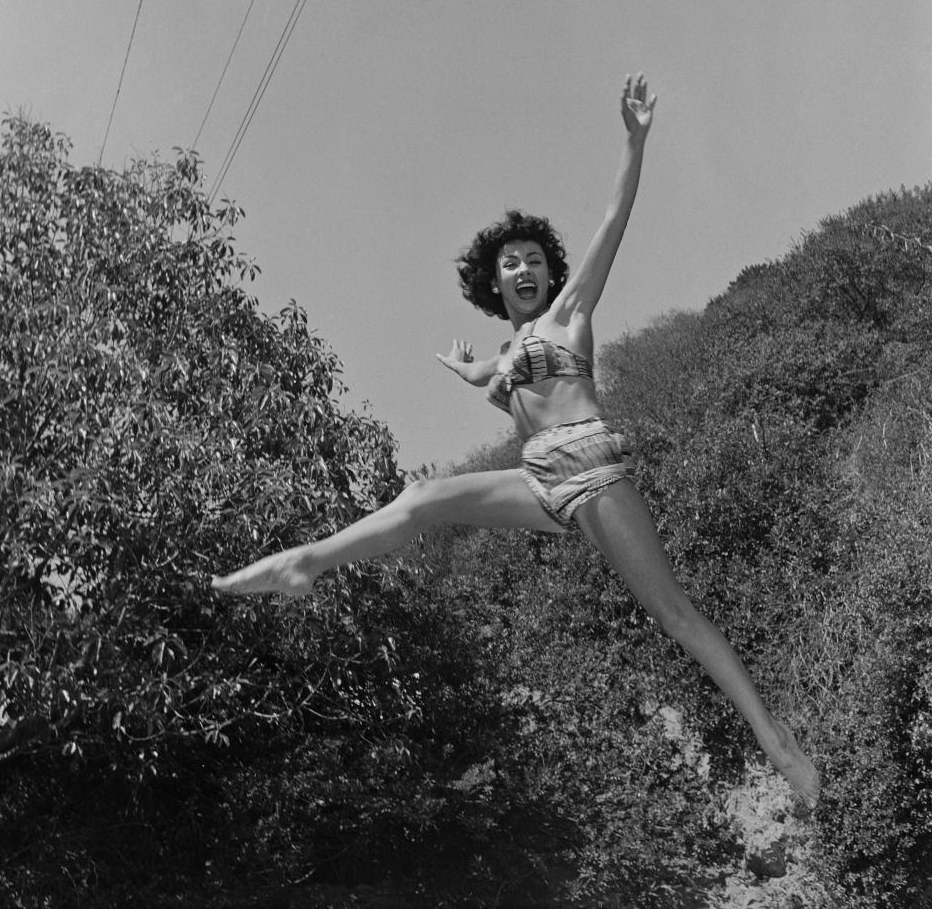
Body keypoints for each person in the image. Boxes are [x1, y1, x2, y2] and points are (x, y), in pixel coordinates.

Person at [212, 74, 820, 808]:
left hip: (592, 471)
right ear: (492, 280)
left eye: (533, 257)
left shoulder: (568, 314)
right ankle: (307, 562)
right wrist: (466, 368)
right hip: (538, 482)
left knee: (674, 613)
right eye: (510, 261)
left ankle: (776, 743)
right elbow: (490, 374)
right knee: (424, 497)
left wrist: (635, 142)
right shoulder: (506, 353)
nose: (524, 267)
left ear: (548, 271)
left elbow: (611, 222)